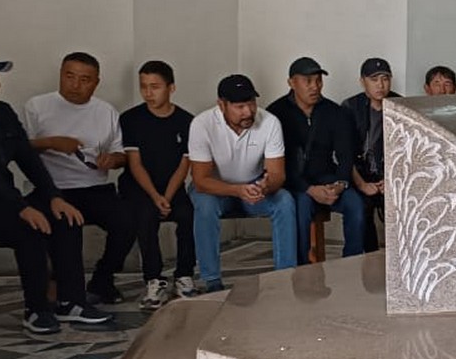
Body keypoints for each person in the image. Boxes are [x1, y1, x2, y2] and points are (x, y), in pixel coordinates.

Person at [0, 51, 99, 334]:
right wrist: (21, 207)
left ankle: (70, 302)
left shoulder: (0, 112)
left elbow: (26, 156)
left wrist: (53, 196)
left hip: (4, 200)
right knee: (30, 229)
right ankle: (37, 309)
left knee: (65, 218)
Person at [22, 52, 132, 310]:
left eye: (84, 80)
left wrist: (112, 160)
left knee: (128, 222)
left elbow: (121, 154)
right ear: (61, 75)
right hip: (52, 189)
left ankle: (102, 279)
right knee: (67, 226)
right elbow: (19, 148)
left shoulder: (106, 111)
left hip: (95, 187)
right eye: (69, 77)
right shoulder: (37, 106)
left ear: (96, 82)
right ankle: (68, 294)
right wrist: (51, 143)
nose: (75, 85)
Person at [187, 74, 295, 292]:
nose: (248, 111)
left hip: (253, 185)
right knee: (205, 206)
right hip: (215, 188)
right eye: (239, 106)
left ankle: (285, 274)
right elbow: (200, 181)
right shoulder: (202, 124)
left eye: (251, 103)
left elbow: (277, 174)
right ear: (221, 105)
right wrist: (237, 190)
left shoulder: (270, 122)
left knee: (284, 200)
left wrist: (266, 185)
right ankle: (212, 280)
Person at [268, 57, 365, 261]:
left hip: (327, 178)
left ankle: (352, 262)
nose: (315, 87)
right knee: (301, 207)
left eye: (318, 81)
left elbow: (345, 155)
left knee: (355, 204)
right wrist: (309, 189)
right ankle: (301, 267)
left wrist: (340, 184)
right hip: (295, 183)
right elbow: (276, 163)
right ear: (291, 83)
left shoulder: (335, 112)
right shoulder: (276, 114)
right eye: (308, 81)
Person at [119, 60, 196, 310]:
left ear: (171, 88)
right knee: (145, 215)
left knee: (188, 215)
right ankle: (154, 279)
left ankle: (184, 275)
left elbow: (184, 165)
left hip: (172, 187)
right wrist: (155, 196)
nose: (148, 93)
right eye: (143, 87)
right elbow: (135, 164)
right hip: (140, 188)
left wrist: (168, 196)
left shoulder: (187, 121)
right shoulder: (131, 119)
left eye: (155, 87)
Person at [343, 57, 400, 253]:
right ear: (363, 82)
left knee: (402, 205)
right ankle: (363, 260)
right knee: (360, 208)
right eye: (374, 80)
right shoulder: (350, 107)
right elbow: (344, 154)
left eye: (385, 79)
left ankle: (399, 259)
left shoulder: (400, 105)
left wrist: (391, 179)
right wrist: (361, 184)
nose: (380, 85)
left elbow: (407, 153)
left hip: (391, 177)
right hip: (359, 175)